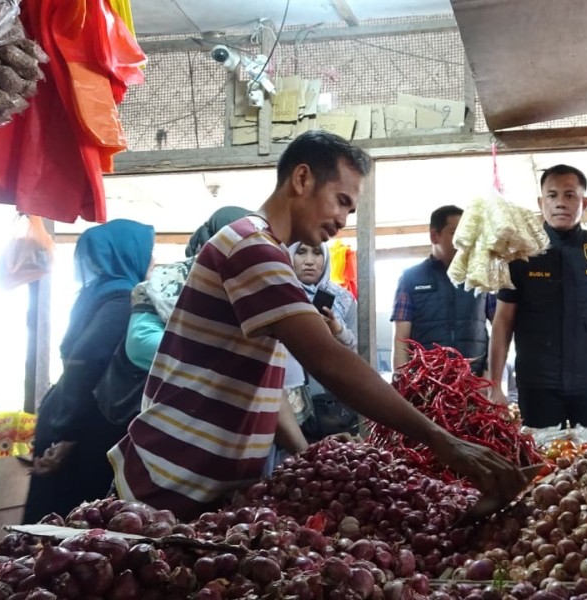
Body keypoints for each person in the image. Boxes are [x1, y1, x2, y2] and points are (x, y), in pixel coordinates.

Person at [108, 131, 525, 520]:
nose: (344, 218)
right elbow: (328, 360)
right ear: (303, 179)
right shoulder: (251, 247)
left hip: (203, 485)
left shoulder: (264, 251)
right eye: (341, 200)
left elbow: (260, 387)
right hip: (168, 482)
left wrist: (307, 454)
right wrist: (441, 440)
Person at [23, 219, 155, 523]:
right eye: (148, 250)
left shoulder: (92, 295)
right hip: (83, 427)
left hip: (67, 415)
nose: (152, 259)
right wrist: (67, 435)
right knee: (68, 527)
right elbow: (87, 360)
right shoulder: (122, 301)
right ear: (128, 254)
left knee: (48, 520)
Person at [489, 164, 587, 433]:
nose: (560, 203)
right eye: (552, 195)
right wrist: (495, 385)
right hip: (537, 384)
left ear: (585, 201)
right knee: (543, 464)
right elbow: (503, 320)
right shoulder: (520, 253)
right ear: (540, 202)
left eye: (570, 195)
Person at [93, 207, 252, 428]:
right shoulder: (165, 282)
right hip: (167, 414)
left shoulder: (253, 287)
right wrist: (220, 357)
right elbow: (142, 343)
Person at [391, 205, 495, 376]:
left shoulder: (482, 277)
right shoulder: (410, 278)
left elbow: (501, 328)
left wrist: (489, 375)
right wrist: (402, 379)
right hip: (426, 383)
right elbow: (401, 339)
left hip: (474, 382)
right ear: (434, 236)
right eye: (455, 233)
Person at [283, 241, 360, 442]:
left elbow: (358, 350)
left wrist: (337, 330)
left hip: (334, 399)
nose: (309, 261)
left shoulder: (343, 299)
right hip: (288, 400)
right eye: (301, 252)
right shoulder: (279, 296)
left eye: (317, 253)